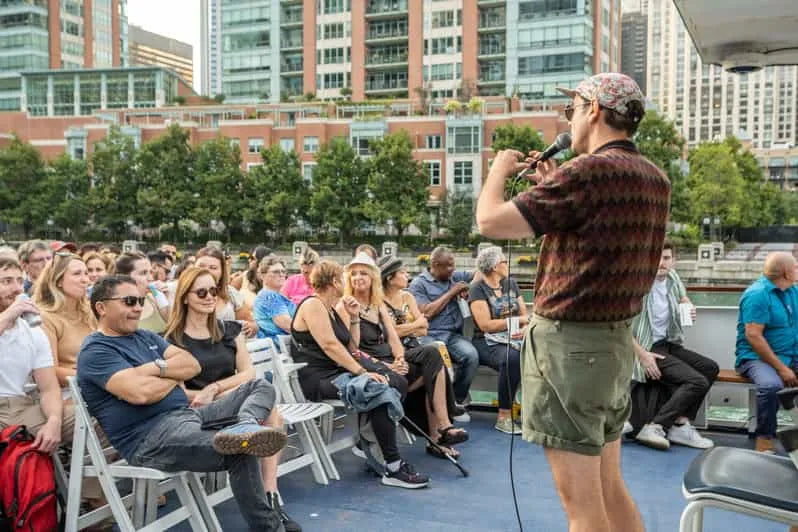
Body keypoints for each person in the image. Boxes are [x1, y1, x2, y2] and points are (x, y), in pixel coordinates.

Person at [475, 73, 670, 532]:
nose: (570, 119)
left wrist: (499, 169)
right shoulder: (653, 178)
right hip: (614, 346)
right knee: (610, 488)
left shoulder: (586, 173)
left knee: (581, 510)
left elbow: (490, 221)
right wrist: (553, 187)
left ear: (594, 110)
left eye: (573, 110)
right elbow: (597, 236)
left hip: (569, 351)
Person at [77, 275, 288, 531]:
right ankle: (270, 528)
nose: (137, 308)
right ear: (101, 307)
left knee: (260, 386)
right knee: (241, 449)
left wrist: (153, 369)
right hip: (151, 439)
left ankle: (245, 423)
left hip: (187, 415)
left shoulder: (144, 337)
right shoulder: (96, 351)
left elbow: (191, 365)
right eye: (129, 301)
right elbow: (140, 394)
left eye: (141, 301)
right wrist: (171, 375)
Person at [164, 267, 301, 532]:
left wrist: (217, 389)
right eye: (201, 292)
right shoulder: (173, 340)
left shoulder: (229, 330)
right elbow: (180, 392)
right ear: (184, 297)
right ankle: (270, 502)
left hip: (235, 401)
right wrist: (220, 395)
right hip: (199, 410)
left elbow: (248, 372)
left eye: (213, 291)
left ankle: (270, 496)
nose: (209, 297)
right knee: (268, 408)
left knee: (267, 404)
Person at [290, 260, 429, 488]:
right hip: (319, 378)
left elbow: (351, 345)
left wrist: (354, 317)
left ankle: (371, 442)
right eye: (344, 278)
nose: (347, 283)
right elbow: (329, 346)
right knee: (377, 388)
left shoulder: (329, 308)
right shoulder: (313, 305)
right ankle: (392, 465)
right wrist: (363, 372)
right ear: (335, 281)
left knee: (394, 381)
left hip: (337, 371)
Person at [346, 253, 466, 459]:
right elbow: (353, 349)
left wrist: (399, 358)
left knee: (434, 358)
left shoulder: (378, 304)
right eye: (354, 274)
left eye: (364, 274)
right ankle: (438, 434)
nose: (359, 278)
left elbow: (398, 335)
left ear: (373, 278)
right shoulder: (348, 305)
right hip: (376, 364)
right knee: (433, 364)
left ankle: (443, 428)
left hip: (397, 355)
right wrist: (389, 365)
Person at [629, 241, 717, 450]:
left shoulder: (672, 278)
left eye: (666, 258)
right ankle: (655, 426)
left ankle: (680, 424)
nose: (661, 263)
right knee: (696, 382)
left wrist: (687, 304)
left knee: (709, 368)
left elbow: (682, 296)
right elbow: (619, 325)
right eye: (657, 258)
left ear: (673, 261)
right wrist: (643, 356)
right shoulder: (637, 284)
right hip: (646, 347)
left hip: (668, 343)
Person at [736, 252, 798, 454]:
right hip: (756, 359)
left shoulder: (792, 291)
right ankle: (764, 439)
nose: (797, 270)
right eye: (796, 267)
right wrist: (782, 369)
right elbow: (754, 337)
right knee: (771, 386)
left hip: (790, 355)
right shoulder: (757, 295)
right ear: (787, 273)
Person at [0, 256, 63, 453]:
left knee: (95, 420)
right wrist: (8, 316)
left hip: (21, 407)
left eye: (20, 280)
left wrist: (54, 421)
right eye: (6, 281)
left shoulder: (33, 331)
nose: (17, 288)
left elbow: (49, 389)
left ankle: (83, 484)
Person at [408, 246, 478, 412]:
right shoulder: (419, 284)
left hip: (452, 335)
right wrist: (452, 293)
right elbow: (426, 313)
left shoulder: (455, 276)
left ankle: (456, 401)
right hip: (429, 334)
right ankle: (436, 405)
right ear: (435, 265)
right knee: (438, 360)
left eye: (453, 265)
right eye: (447, 266)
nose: (452, 269)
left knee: (471, 356)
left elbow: (480, 272)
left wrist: (469, 288)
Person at [468, 246, 526, 435]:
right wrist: (517, 322)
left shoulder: (511, 284)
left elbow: (524, 313)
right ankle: (504, 416)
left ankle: (532, 410)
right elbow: (485, 325)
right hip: (486, 341)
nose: (507, 264)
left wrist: (521, 329)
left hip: (513, 336)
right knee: (512, 359)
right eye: (504, 261)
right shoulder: (477, 289)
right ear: (494, 266)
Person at [33, 253, 96, 390]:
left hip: (100, 381)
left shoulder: (90, 312)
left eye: (86, 273)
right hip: (69, 390)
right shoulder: (46, 318)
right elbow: (51, 371)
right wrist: (98, 378)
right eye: (77, 274)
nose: (85, 279)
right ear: (58, 281)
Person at [196, 246, 257, 337]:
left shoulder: (230, 293)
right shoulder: (183, 292)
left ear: (221, 272)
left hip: (228, 346)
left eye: (213, 267)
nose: (206, 270)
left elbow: (250, 323)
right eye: (201, 266)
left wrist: (251, 328)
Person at [115, 252, 170, 334]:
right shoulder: (115, 308)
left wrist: (166, 302)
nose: (150, 278)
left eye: (151, 272)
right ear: (124, 277)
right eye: (143, 273)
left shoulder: (154, 300)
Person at [253, 257, 296, 343]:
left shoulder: (274, 295)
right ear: (262, 275)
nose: (281, 274)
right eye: (276, 272)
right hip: (279, 351)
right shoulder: (269, 296)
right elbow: (288, 325)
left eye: (283, 271)